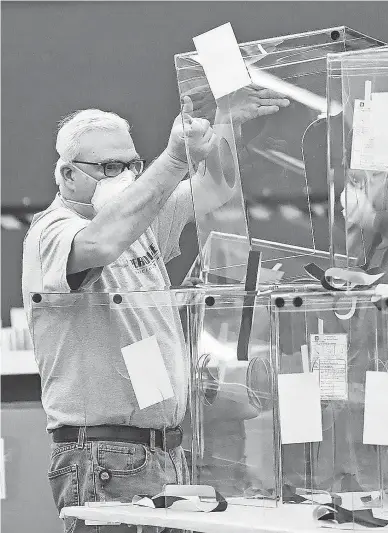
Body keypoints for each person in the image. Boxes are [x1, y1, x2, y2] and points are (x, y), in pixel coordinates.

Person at [22, 89, 289, 533]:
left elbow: (213, 187)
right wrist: (173, 159)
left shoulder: (138, 220)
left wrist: (222, 125)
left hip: (160, 450)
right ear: (68, 175)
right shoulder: (53, 232)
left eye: (131, 165)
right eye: (109, 167)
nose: (124, 176)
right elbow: (101, 243)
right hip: (105, 454)